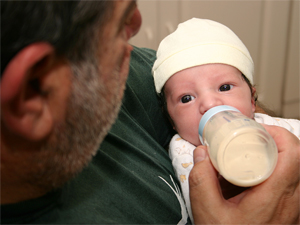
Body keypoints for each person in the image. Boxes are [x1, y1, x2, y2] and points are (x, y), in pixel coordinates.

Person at [1, 2, 299, 224]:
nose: (137, 22)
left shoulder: (123, 76)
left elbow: (207, 70)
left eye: (224, 89)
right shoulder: (180, 150)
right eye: (114, 19)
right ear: (34, 91)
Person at [152, 18, 300, 222]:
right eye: (186, 98)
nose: (210, 103)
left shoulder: (283, 130)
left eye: (224, 87)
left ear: (251, 100)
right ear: (172, 122)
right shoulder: (184, 152)